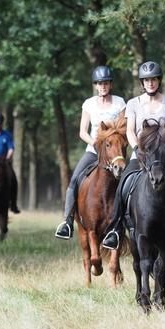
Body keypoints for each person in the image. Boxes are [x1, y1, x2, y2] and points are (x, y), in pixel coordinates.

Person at [101, 61, 165, 251]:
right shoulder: (133, 104)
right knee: (123, 185)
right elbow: (131, 131)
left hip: (163, 157)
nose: (150, 83)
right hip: (140, 156)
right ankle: (115, 229)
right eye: (147, 80)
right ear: (143, 82)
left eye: (154, 80)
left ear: (158, 81)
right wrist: (136, 149)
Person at [55, 66, 127, 239]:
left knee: (132, 178)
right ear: (96, 85)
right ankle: (67, 222)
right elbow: (82, 131)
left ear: (111, 84)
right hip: (93, 151)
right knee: (74, 180)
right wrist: (94, 143)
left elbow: (123, 128)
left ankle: (130, 222)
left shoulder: (120, 102)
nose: (103, 86)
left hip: (115, 152)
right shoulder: (88, 104)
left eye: (106, 83)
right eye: (100, 83)